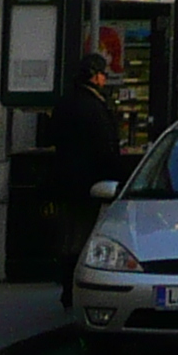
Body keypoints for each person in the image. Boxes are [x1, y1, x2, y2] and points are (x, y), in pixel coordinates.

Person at [52, 52, 124, 308]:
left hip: (65, 181)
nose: (105, 78)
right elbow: (105, 149)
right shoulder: (95, 107)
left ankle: (66, 287)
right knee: (83, 237)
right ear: (94, 76)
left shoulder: (65, 102)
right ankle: (75, 289)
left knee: (68, 237)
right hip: (90, 184)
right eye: (103, 73)